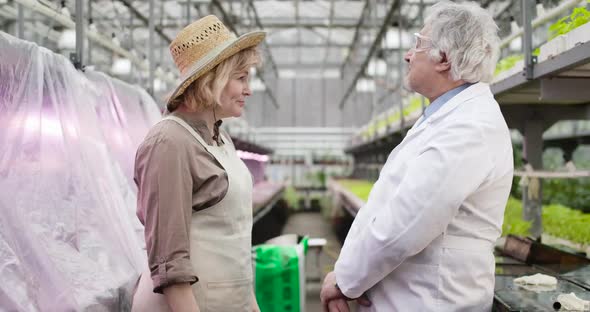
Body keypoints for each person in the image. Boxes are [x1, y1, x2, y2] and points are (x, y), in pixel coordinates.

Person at [320, 1, 513, 311]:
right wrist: (348, 275)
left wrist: (344, 280)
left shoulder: (469, 127)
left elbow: (405, 224)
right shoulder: (445, 117)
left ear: (444, 58)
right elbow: (388, 210)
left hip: (431, 299)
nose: (408, 54)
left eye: (418, 45)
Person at [131, 15, 265, 312]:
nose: (249, 89)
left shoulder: (220, 139)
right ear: (212, 79)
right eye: (241, 78)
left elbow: (234, 244)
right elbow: (170, 264)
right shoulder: (169, 143)